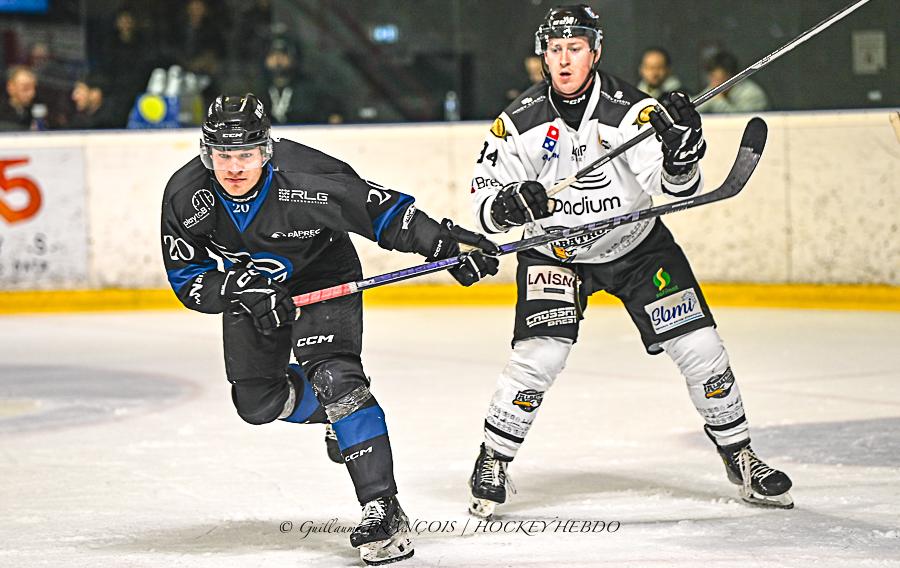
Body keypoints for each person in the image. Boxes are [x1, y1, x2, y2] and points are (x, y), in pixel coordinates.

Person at [466, 4, 793, 518]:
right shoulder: (515, 124)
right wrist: (507, 205)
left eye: (575, 48)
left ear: (595, 52)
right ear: (543, 56)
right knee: (539, 357)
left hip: (637, 248)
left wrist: (681, 154)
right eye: (555, 49)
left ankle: (741, 456)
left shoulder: (633, 113)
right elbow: (484, 206)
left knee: (701, 348)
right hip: (555, 254)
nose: (564, 59)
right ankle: (494, 458)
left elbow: (676, 189)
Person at [160, 93, 499, 565]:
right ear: (206, 153)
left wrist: (443, 245)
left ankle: (383, 509)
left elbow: (382, 213)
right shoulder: (185, 196)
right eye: (223, 154)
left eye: (246, 154)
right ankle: (338, 415)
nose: (234, 167)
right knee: (257, 403)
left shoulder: (309, 177)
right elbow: (187, 278)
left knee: (336, 379)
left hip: (324, 277)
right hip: (251, 290)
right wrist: (238, 288)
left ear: (266, 150)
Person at [700, 51, 769, 113]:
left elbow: (741, 119)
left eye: (718, 79)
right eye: (712, 77)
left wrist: (718, 101)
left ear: (731, 77)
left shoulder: (752, 94)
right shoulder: (714, 88)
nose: (714, 83)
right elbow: (696, 108)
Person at [0, 66, 38, 131]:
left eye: (34, 88)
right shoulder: (2, 112)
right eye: (26, 88)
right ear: (11, 87)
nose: (32, 93)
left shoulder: (35, 110)